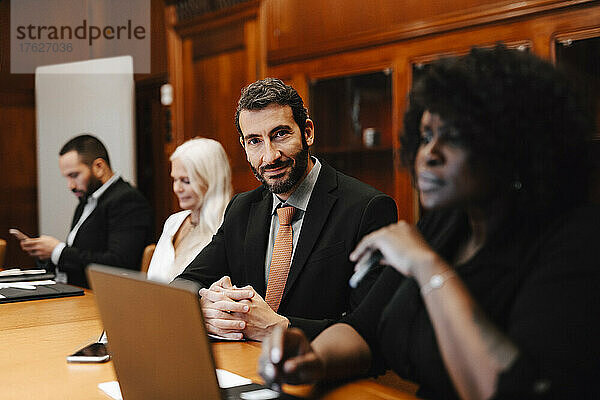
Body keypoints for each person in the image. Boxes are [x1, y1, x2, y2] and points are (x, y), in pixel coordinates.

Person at [259, 46, 600, 399]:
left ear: (514, 147)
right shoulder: (445, 227)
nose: (428, 155)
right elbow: (364, 329)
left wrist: (427, 267)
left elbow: (515, 389)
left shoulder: (577, 242)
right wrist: (314, 357)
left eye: (452, 138)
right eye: (425, 137)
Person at [175, 78, 398, 341]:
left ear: (308, 132)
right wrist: (207, 308)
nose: (269, 157)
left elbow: (372, 329)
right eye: (254, 141)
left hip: (323, 371)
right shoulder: (241, 209)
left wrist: (279, 328)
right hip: (247, 367)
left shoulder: (368, 209)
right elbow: (183, 286)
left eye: (280, 134)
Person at [19, 134, 153, 288]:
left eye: (74, 175)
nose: (71, 185)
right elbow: (80, 256)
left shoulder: (127, 200)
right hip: (71, 289)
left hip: (101, 297)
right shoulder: (86, 200)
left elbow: (119, 263)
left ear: (99, 167)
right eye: (67, 178)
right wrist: (47, 254)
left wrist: (58, 251)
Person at [147, 137, 232, 283]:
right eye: (174, 179)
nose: (177, 189)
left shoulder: (226, 228)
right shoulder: (174, 222)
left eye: (186, 181)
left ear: (211, 180)